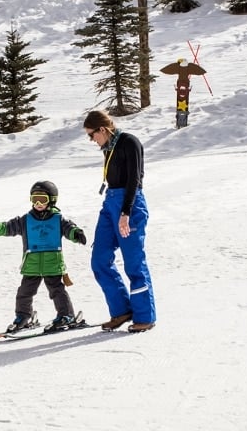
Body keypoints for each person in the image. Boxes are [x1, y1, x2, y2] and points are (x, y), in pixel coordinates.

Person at [0, 180, 87, 333]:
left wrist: (77, 234)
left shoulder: (58, 219)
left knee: (57, 291)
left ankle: (66, 315)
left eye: (43, 199)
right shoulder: (25, 220)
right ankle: (23, 316)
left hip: (52, 264)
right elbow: (8, 227)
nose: (38, 203)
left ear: (52, 200)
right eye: (35, 199)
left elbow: (69, 229)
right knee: (24, 293)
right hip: (31, 265)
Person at [83, 109, 156, 333]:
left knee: (133, 261)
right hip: (110, 203)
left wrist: (125, 213)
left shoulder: (129, 142)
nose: (92, 140)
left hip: (130, 205)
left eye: (91, 135)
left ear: (102, 129)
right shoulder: (109, 147)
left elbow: (135, 179)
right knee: (99, 259)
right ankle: (122, 310)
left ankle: (145, 316)